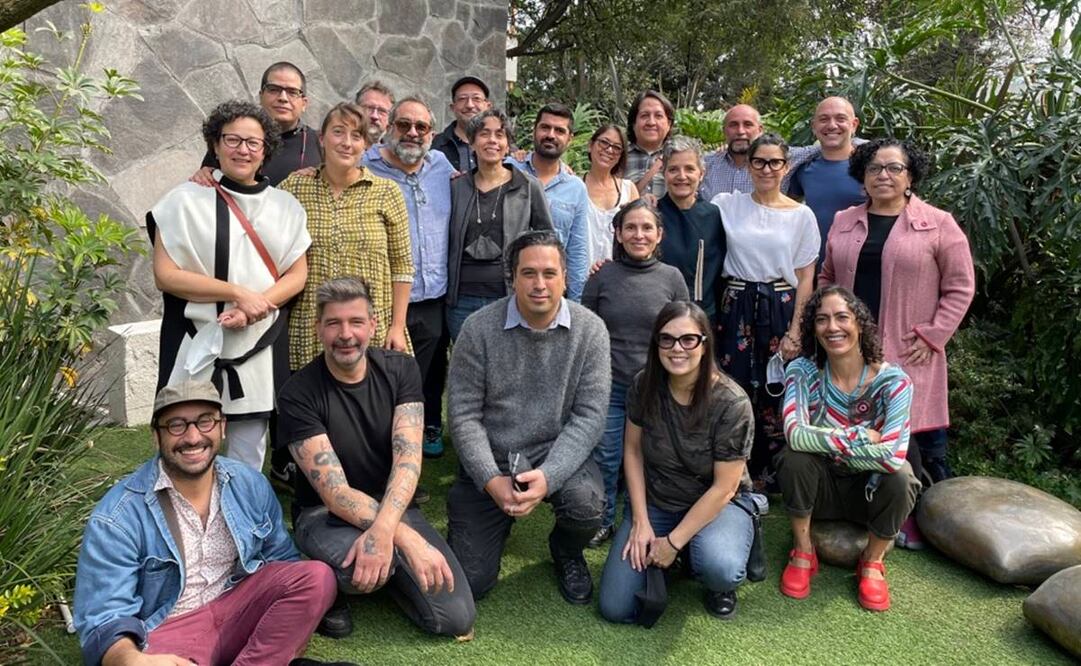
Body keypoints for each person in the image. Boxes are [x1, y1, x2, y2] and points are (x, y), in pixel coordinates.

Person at [73, 381, 339, 666]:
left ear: (222, 427)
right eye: (176, 425)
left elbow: (281, 564)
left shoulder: (248, 483)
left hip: (236, 608)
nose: (192, 436)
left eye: (205, 421)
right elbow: (104, 616)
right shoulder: (118, 515)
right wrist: (131, 660)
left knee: (316, 578)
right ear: (155, 436)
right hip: (171, 630)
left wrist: (291, 628)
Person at [277, 277, 476, 640]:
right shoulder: (297, 394)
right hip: (326, 517)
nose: (345, 334)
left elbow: (408, 460)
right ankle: (327, 583)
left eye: (355, 322)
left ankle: (388, 571)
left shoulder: (402, 370)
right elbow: (335, 494)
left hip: (395, 506)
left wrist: (387, 532)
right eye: (334, 323)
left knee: (455, 618)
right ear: (318, 328)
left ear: (373, 324)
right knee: (359, 575)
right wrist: (407, 540)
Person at [820, 138, 975, 545]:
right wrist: (828, 325)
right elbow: (826, 276)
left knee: (916, 434)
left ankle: (927, 518)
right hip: (852, 348)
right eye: (874, 168)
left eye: (893, 168)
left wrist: (934, 334)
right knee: (860, 428)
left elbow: (960, 288)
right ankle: (865, 505)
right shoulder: (844, 220)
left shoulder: (939, 224)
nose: (883, 175)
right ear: (862, 176)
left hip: (910, 347)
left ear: (910, 176)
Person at [447, 231, 610, 603]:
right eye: (529, 273)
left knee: (586, 507)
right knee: (470, 583)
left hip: (554, 451)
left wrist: (549, 477)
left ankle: (566, 550)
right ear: (512, 277)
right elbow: (463, 416)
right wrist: (491, 480)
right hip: (492, 455)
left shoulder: (590, 331)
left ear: (566, 278)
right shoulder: (477, 329)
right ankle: (496, 518)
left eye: (550, 273)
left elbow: (589, 416)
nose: (540, 284)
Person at [149, 100, 310, 470]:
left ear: (266, 150)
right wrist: (237, 293)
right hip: (193, 340)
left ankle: (243, 522)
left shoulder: (286, 207)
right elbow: (166, 275)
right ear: (216, 144)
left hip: (257, 343)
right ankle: (180, 521)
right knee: (183, 441)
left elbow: (297, 275)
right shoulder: (183, 201)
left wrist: (257, 307)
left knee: (247, 451)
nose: (243, 150)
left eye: (253, 143)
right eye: (233, 140)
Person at [598, 300, 756, 622]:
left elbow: (724, 488)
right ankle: (678, 553)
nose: (677, 349)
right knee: (615, 607)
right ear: (656, 343)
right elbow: (633, 450)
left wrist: (672, 542)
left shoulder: (731, 402)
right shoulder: (644, 385)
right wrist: (641, 521)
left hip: (717, 505)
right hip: (658, 501)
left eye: (688, 339)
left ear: (704, 343)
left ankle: (705, 568)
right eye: (667, 339)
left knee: (720, 567)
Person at [777, 286, 921, 612]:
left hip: (866, 494)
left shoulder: (894, 383)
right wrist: (860, 436)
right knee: (794, 459)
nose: (832, 327)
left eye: (842, 317)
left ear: (859, 323)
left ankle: (871, 562)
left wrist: (827, 440)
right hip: (821, 489)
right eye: (822, 319)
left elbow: (892, 455)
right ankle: (804, 551)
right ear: (813, 328)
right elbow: (795, 435)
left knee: (902, 477)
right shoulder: (802, 372)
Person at [712, 133, 820, 489]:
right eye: (760, 161)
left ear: (786, 167)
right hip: (737, 303)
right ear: (750, 165)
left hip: (781, 303)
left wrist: (796, 331)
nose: (767, 169)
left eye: (775, 162)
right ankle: (733, 465)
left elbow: (806, 277)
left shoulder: (801, 215)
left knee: (777, 387)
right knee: (734, 385)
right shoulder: (727, 204)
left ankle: (773, 470)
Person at [581, 199, 689, 546]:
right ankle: (604, 517)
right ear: (618, 233)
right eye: (630, 227)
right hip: (610, 385)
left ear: (659, 235)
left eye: (646, 228)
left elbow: (684, 336)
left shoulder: (672, 278)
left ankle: (645, 518)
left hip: (657, 388)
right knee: (608, 455)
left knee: (653, 456)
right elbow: (586, 331)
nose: (638, 234)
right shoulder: (603, 276)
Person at [280, 102, 414, 370]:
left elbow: (402, 267)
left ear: (366, 144)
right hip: (311, 326)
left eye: (356, 136)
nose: (347, 143)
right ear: (322, 138)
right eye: (338, 132)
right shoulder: (294, 187)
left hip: (371, 326)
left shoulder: (386, 192)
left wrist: (397, 327)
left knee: (372, 404)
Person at [363, 96, 455, 459]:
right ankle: (374, 447)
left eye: (421, 127)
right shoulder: (365, 165)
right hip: (385, 298)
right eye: (404, 125)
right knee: (383, 379)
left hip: (432, 297)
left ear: (431, 132)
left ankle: (409, 448)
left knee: (421, 379)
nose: (413, 133)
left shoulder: (441, 165)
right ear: (389, 128)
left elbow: (494, 166)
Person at [445, 109, 553, 340]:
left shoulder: (527, 186)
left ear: (507, 145)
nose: (492, 140)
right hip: (462, 299)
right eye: (484, 134)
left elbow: (547, 240)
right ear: (472, 142)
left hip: (509, 296)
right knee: (468, 367)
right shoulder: (456, 186)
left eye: (500, 135)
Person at [507, 102, 590, 300]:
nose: (551, 135)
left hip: (547, 295)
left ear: (570, 139)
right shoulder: (508, 170)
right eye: (545, 127)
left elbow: (577, 251)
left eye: (559, 130)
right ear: (534, 131)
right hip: (504, 289)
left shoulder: (576, 188)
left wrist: (575, 303)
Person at [192, 62, 322, 187]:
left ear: (304, 103)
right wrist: (204, 175)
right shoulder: (232, 142)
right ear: (261, 96)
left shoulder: (321, 144)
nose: (283, 98)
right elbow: (207, 178)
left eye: (292, 92)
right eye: (273, 89)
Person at [656, 136, 727, 324]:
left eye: (689, 169)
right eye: (673, 169)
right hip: (659, 316)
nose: (681, 176)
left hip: (703, 317)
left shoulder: (713, 215)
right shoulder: (651, 216)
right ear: (664, 173)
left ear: (702, 173)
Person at [788, 97, 866, 263]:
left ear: (854, 125)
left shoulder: (873, 168)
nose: (832, 125)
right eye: (824, 119)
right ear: (814, 126)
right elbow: (786, 207)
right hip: (814, 268)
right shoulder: (802, 169)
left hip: (861, 267)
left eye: (840, 119)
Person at [700, 104, 820, 200]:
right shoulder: (705, 164)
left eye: (748, 124)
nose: (740, 131)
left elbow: (824, 147)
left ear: (760, 130)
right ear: (724, 130)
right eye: (733, 125)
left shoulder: (782, 158)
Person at [581, 124, 639, 264]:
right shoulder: (575, 186)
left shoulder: (628, 189)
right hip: (579, 275)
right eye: (604, 142)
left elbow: (638, 231)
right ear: (591, 145)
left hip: (619, 277)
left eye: (617, 147)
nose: (609, 149)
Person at [432, 76, 492, 172]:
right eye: (462, 99)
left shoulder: (500, 147)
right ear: (453, 107)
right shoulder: (435, 146)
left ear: (488, 106)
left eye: (476, 98)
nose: (469, 105)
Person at [624, 90, 676, 198]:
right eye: (644, 115)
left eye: (658, 116)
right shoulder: (618, 157)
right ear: (633, 123)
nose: (651, 122)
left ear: (669, 124)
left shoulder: (678, 156)